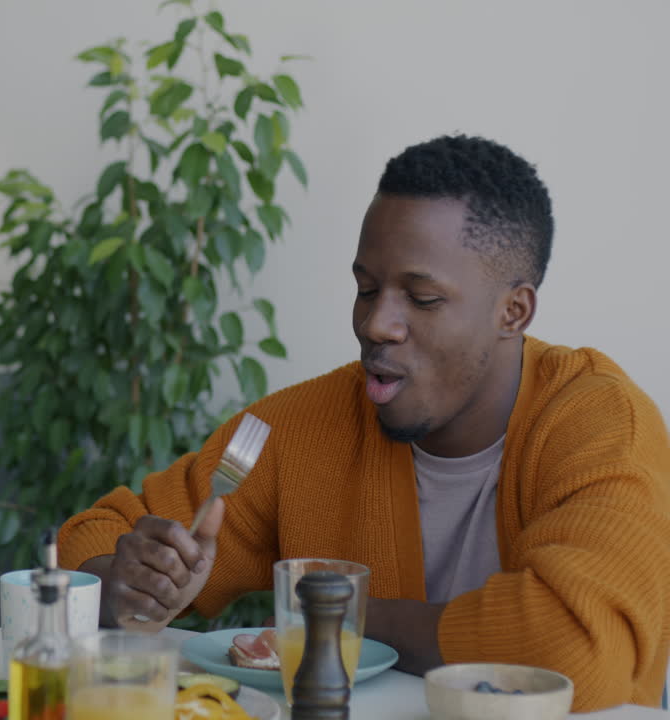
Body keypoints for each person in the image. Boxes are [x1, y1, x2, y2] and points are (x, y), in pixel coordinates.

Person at [58, 134, 670, 711]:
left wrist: (333, 615)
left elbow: (573, 648)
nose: (377, 323)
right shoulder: (298, 429)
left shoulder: (601, 423)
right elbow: (90, 542)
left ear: (514, 310)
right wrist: (121, 586)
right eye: (366, 289)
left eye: (421, 299)